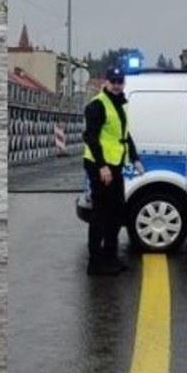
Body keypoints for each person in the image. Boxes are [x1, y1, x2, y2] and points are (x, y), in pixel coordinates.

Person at [82, 66, 144, 275]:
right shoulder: (98, 105)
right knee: (101, 213)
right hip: (99, 165)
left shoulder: (120, 103)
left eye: (120, 81)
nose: (117, 85)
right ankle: (95, 262)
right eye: (113, 81)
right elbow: (90, 137)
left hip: (115, 164)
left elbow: (124, 135)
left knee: (117, 211)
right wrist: (102, 166)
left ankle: (111, 257)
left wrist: (135, 158)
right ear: (106, 82)